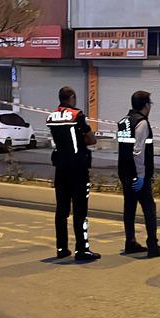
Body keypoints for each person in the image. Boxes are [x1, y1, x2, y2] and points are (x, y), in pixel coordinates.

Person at [45, 86, 100, 261]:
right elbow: (91, 139)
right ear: (72, 97)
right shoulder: (77, 115)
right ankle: (82, 249)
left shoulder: (51, 117)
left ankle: (61, 248)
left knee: (61, 210)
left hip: (61, 168)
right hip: (78, 168)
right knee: (80, 211)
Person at [117, 91, 160, 258]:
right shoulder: (141, 123)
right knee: (149, 209)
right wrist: (141, 175)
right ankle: (153, 245)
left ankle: (130, 242)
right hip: (137, 174)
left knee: (129, 208)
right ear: (146, 105)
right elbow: (138, 151)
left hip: (124, 171)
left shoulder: (124, 121)